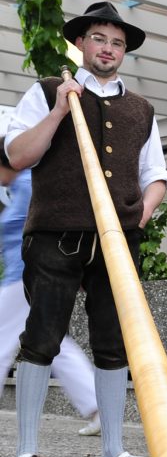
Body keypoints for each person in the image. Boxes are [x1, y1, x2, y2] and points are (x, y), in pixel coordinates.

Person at [3, 0, 167, 457]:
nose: (109, 49)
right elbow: (17, 153)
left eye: (117, 43)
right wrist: (58, 110)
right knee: (42, 337)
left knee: (115, 343)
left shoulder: (141, 107)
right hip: (57, 232)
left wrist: (144, 211)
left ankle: (114, 453)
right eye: (100, 39)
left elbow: (155, 173)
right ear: (80, 43)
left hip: (118, 238)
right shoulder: (49, 90)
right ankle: (25, 453)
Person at [0, 163, 99, 435]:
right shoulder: (21, 187)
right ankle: (96, 405)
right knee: (56, 344)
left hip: (24, 276)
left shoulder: (26, 185)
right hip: (25, 274)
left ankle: (96, 405)